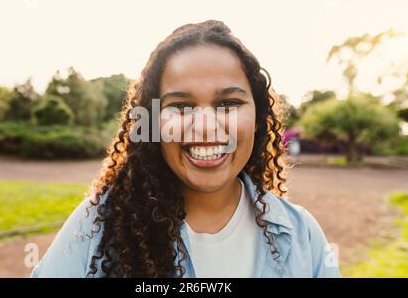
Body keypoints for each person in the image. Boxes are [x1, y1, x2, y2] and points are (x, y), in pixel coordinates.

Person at [31, 20, 340, 278]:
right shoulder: (97, 224)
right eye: (181, 106)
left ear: (258, 118)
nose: (205, 126)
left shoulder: (303, 237)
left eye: (228, 103)